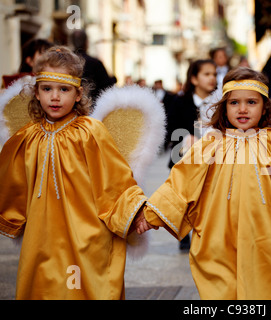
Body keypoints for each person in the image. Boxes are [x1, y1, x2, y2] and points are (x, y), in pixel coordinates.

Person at [134, 67, 271, 299]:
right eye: (234, 103)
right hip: (216, 237)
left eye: (251, 102)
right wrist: (152, 215)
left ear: (264, 106)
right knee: (221, 292)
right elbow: (180, 183)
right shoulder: (210, 144)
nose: (243, 109)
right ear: (224, 106)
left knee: (267, 291)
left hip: (268, 237)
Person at [0, 46, 149, 299]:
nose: (55, 97)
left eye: (64, 89)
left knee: (82, 288)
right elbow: (13, 182)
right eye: (47, 89)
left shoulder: (90, 131)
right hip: (42, 237)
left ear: (79, 94)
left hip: (86, 233)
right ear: (36, 93)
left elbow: (114, 177)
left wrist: (134, 213)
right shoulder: (27, 137)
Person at [165, 59, 217, 249]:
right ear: (194, 79)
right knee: (184, 196)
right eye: (206, 74)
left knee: (206, 195)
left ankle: (204, 231)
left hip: (210, 158)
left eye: (214, 74)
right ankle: (183, 232)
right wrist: (185, 138)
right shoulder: (180, 101)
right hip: (183, 157)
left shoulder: (218, 102)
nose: (212, 78)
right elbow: (169, 128)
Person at [70, 29, 116, 104]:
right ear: (86, 43)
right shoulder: (95, 63)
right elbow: (107, 86)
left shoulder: (65, 62)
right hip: (92, 106)